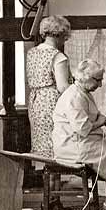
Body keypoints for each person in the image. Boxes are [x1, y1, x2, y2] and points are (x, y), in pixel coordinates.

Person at [52, 59, 106, 210]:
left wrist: (103, 120)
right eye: (97, 80)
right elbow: (82, 128)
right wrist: (101, 122)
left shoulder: (83, 92)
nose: (100, 85)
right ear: (84, 77)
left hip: (84, 141)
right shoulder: (75, 97)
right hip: (73, 145)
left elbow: (91, 117)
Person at [26, 15, 71, 157]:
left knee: (43, 144)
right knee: (55, 143)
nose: (65, 39)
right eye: (65, 36)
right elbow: (63, 87)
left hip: (35, 102)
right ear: (60, 34)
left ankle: (49, 178)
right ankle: (55, 178)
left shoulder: (32, 53)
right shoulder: (58, 56)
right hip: (51, 103)